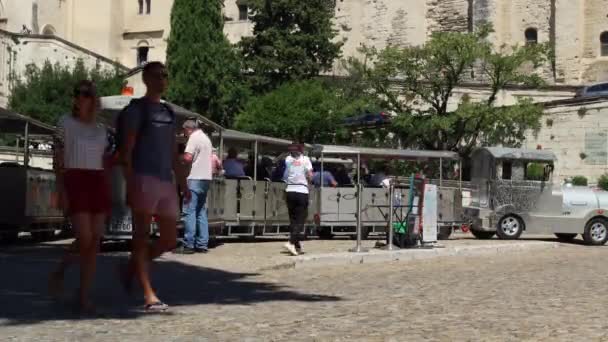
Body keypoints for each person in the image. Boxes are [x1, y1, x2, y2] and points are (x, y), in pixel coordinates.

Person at [118, 61, 187, 312]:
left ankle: (131, 267)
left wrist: (183, 183)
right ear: (146, 79)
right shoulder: (137, 110)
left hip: (165, 181)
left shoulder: (169, 112)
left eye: (165, 76)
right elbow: (127, 149)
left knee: (169, 239)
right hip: (143, 178)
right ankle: (149, 295)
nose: (162, 80)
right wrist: (129, 181)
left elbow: (173, 152)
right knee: (141, 237)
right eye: (157, 76)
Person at [48, 80, 111, 314]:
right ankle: (60, 271)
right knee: (84, 236)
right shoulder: (64, 123)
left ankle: (83, 295)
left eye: (86, 94)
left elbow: (106, 161)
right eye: (78, 94)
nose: (81, 98)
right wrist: (60, 189)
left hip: (97, 181)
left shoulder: (101, 129)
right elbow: (58, 158)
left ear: (94, 98)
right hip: (75, 179)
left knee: (95, 241)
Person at [175, 119, 213, 254]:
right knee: (200, 211)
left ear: (187, 129)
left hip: (194, 178)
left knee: (189, 211)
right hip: (206, 178)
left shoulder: (193, 138)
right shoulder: (206, 138)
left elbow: (187, 158)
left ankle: (188, 244)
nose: (184, 135)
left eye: (184, 132)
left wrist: (177, 158)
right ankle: (202, 244)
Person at [283, 143, 313, 256]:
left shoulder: (288, 159)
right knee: (301, 219)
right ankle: (291, 242)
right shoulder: (306, 159)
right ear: (301, 150)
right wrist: (309, 181)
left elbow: (285, 176)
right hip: (301, 190)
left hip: (290, 190)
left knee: (293, 220)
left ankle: (297, 246)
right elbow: (310, 175)